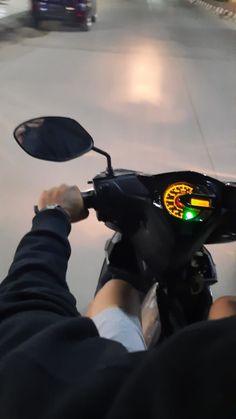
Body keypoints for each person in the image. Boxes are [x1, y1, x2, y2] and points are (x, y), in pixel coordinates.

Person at [0, 184, 236, 419]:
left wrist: (53, 212)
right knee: (226, 305)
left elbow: (27, 303)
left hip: (126, 382)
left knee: (117, 291)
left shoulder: (50, 390)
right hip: (213, 373)